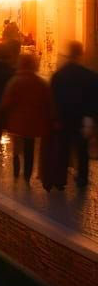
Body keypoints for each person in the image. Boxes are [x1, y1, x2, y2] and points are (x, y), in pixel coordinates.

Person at [0, 52, 57, 185]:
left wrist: (1, 124)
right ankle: (27, 176)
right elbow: (48, 104)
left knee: (17, 149)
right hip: (33, 125)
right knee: (29, 150)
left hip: (16, 124)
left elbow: (5, 104)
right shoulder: (41, 83)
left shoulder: (15, 81)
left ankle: (16, 171)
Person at [49, 41, 97, 190]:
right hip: (82, 119)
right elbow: (94, 99)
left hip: (63, 118)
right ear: (81, 54)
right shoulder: (90, 75)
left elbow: (53, 99)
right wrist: (92, 119)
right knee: (82, 150)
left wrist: (54, 118)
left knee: (63, 149)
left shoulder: (58, 75)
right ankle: (82, 178)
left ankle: (60, 179)